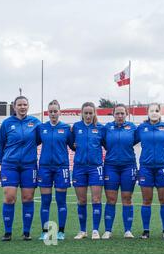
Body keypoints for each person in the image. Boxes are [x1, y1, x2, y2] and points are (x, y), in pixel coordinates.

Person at [0, 96, 41, 241]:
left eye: (25, 104)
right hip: (10, 165)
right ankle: (8, 232)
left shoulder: (35, 123)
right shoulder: (7, 123)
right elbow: (0, 144)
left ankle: (26, 232)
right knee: (9, 197)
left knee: (28, 198)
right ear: (14, 107)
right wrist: (2, 161)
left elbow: (43, 138)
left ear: (28, 106)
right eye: (19, 105)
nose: (22, 107)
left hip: (29, 165)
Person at [136, 103, 164, 239]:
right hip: (145, 167)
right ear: (147, 113)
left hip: (162, 167)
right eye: (151, 110)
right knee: (147, 200)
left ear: (160, 112)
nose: (154, 113)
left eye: (156, 110)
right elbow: (132, 140)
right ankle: (146, 231)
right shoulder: (141, 128)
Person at [37, 100, 74, 241]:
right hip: (45, 168)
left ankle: (61, 232)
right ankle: (44, 231)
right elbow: (33, 142)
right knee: (45, 202)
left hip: (61, 168)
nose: (53, 113)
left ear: (60, 112)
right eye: (50, 111)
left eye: (55, 111)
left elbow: (73, 146)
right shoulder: (41, 128)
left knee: (61, 201)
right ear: (48, 112)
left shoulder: (66, 128)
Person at [101, 104, 139, 239]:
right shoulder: (106, 128)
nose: (120, 116)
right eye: (117, 113)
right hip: (111, 167)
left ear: (126, 114)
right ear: (113, 114)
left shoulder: (133, 128)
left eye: (122, 113)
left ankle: (127, 230)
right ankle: (108, 230)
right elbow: (101, 141)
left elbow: (138, 139)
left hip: (128, 166)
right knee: (111, 199)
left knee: (127, 199)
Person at [71, 102, 105, 240]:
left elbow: (107, 144)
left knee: (96, 199)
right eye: (86, 113)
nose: (88, 115)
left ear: (94, 113)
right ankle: (82, 230)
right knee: (82, 200)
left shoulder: (100, 128)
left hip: (95, 167)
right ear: (82, 113)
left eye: (91, 113)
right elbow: (71, 144)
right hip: (79, 167)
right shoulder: (75, 128)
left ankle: (95, 230)